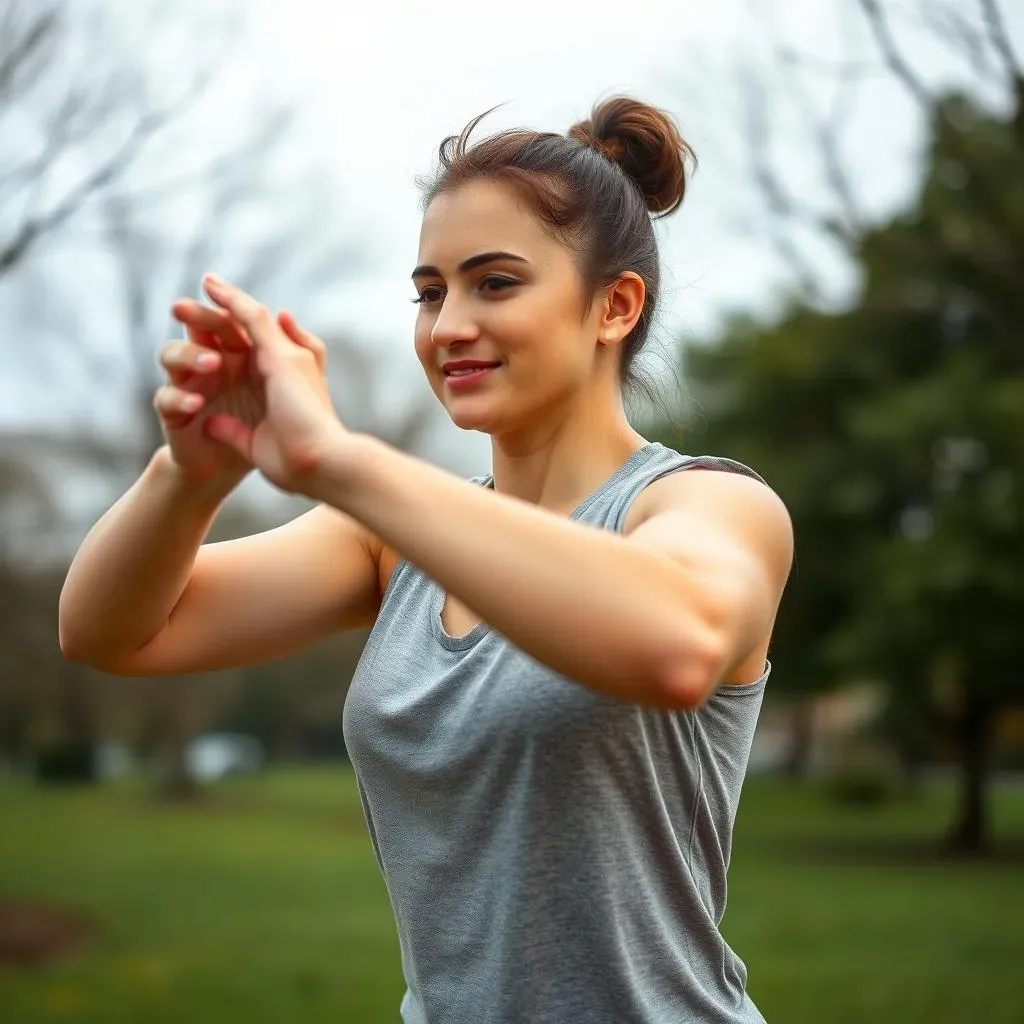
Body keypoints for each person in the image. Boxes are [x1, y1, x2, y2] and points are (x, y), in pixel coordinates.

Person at [59, 96, 793, 1023]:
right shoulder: (393, 544)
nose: (446, 326)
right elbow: (110, 631)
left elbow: (678, 645)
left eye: (495, 283)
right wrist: (190, 472)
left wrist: (340, 461)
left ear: (613, 307)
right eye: (430, 291)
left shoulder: (711, 505)